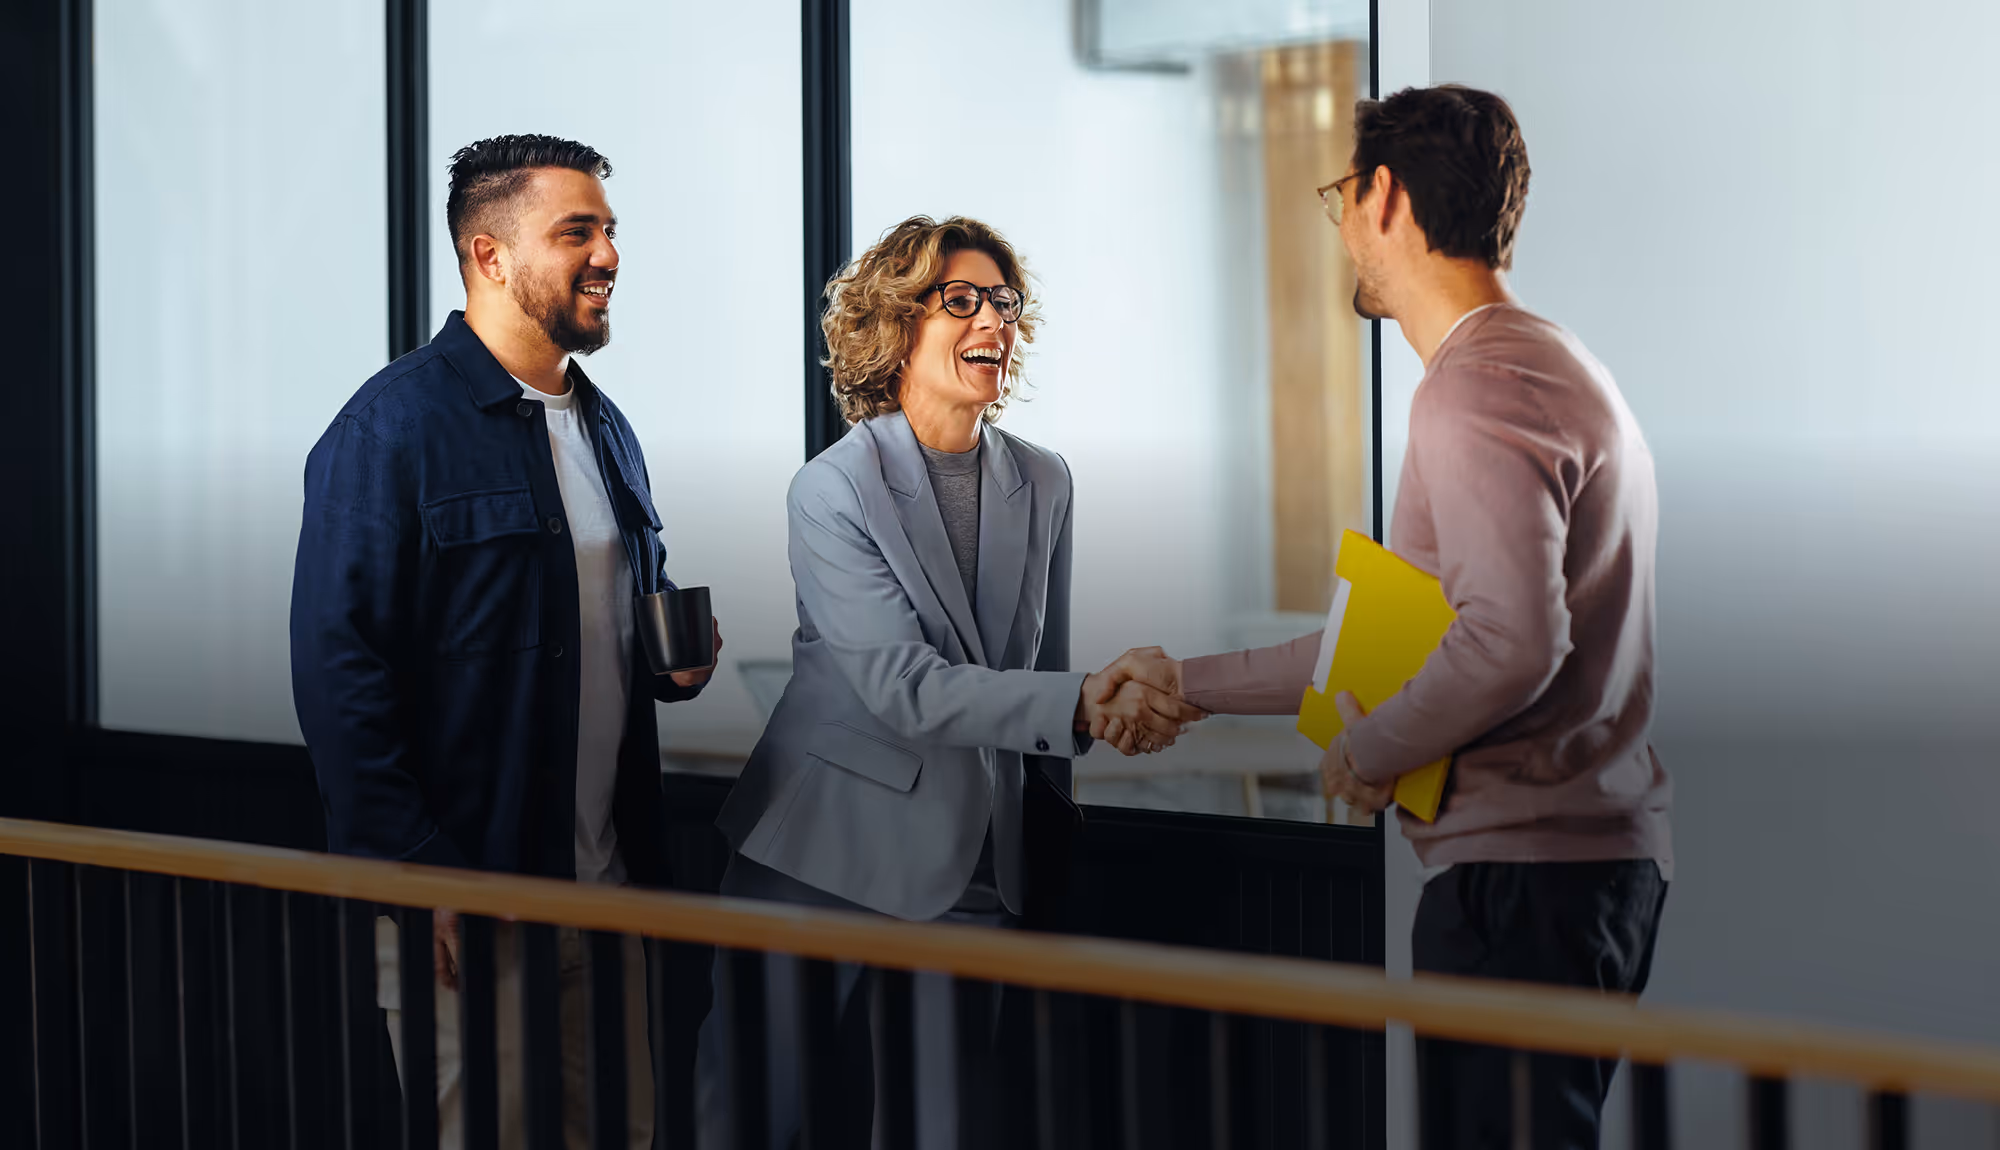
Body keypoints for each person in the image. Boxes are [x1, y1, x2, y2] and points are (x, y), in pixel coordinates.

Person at [1098, 86, 1672, 1149]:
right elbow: (1392, 644)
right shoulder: (1538, 367)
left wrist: (1370, 746)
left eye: (1341, 199)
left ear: (1388, 202)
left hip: (1520, 883)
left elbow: (1512, 637)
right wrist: (1187, 682)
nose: (1343, 231)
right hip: (1564, 875)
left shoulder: (1475, 389)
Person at [705, 215, 1200, 1148]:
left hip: (974, 862)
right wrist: (1086, 701)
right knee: (758, 1119)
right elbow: (902, 683)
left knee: (951, 1127)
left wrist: (1103, 722)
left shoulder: (1045, 481)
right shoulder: (832, 489)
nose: (994, 324)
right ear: (895, 326)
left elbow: (1043, 667)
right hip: (820, 854)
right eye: (961, 301)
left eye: (1005, 304)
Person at [290, 134, 719, 1150]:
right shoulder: (389, 428)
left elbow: (602, 626)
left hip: (608, 892)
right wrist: (419, 869)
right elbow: (337, 667)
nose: (609, 253)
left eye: (610, 230)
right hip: (472, 904)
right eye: (577, 231)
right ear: (489, 255)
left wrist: (672, 661)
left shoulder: (606, 429)